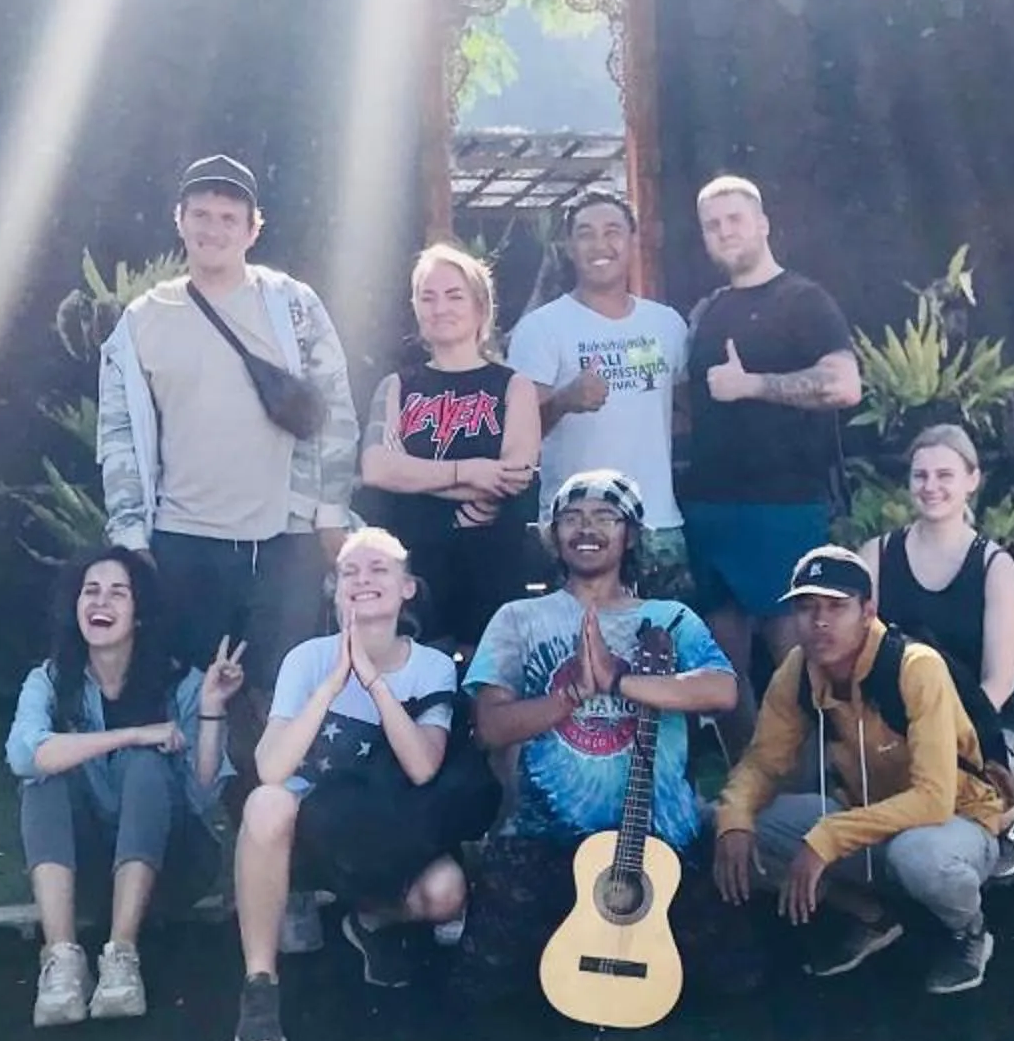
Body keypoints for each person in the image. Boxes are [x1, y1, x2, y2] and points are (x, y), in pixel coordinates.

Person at [460, 471, 761, 1002]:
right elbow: (491, 727)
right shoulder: (519, 618)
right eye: (571, 517)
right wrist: (571, 694)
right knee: (487, 986)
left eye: (605, 516)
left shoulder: (671, 619)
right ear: (553, 535)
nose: (586, 528)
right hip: (545, 836)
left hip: (662, 844)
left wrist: (620, 681)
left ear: (631, 535)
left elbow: (721, 690)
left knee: (735, 982)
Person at [96, 153, 357, 699]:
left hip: (285, 536)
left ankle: (281, 789)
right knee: (192, 695)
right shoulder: (140, 321)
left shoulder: (293, 306)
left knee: (287, 694)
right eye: (201, 214)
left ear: (252, 228)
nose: (212, 228)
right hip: (183, 539)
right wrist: (129, 533)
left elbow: (333, 410)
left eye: (228, 218)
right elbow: (118, 433)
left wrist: (329, 514)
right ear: (180, 220)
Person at [712, 545, 1014, 995]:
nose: (819, 622)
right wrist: (733, 821)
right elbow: (762, 762)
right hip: (871, 819)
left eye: (837, 607)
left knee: (919, 857)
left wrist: (829, 837)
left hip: (956, 821)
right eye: (807, 607)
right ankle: (871, 917)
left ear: (868, 610)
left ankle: (968, 932)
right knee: (727, 822)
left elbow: (933, 799)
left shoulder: (916, 667)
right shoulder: (797, 670)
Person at [230, 529, 472, 1041]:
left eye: (379, 569)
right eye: (350, 572)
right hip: (307, 826)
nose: (363, 580)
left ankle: (372, 917)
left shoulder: (430, 666)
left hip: (384, 828)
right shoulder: (306, 659)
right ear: (335, 591)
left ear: (407, 587)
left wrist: (372, 681)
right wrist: (332, 682)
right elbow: (271, 768)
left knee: (446, 894)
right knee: (264, 804)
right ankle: (260, 983)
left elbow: (423, 766)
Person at [6, 551, 246, 1028]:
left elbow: (202, 795)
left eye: (118, 592)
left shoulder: (184, 682)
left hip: (172, 866)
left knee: (145, 767)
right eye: (91, 591)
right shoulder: (49, 681)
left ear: (140, 613)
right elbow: (23, 756)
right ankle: (61, 961)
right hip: (90, 871)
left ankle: (121, 955)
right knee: (42, 782)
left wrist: (212, 708)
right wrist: (133, 733)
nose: (102, 602)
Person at [682, 173, 860, 748]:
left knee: (800, 661)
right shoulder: (707, 310)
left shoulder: (803, 300)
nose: (724, 232)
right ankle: (749, 797)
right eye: (712, 225)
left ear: (762, 224)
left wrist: (753, 384)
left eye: (735, 219)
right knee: (723, 671)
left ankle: (816, 797)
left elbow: (843, 385)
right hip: (712, 509)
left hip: (784, 506)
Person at [360, 243, 541, 657]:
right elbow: (377, 468)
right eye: (428, 296)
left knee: (489, 695)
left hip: (493, 570)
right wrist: (469, 472)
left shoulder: (514, 386)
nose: (440, 307)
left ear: (481, 306)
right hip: (415, 572)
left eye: (454, 295)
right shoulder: (397, 386)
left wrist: (417, 478)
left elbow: (514, 473)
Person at [505, 190, 690, 593]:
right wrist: (565, 400)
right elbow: (517, 438)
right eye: (586, 234)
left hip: (657, 525)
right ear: (569, 247)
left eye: (613, 231)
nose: (600, 244)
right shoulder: (541, 329)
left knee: (662, 651)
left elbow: (686, 412)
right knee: (577, 652)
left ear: (631, 241)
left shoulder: (667, 325)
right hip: (574, 529)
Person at [871, 421, 1014, 811]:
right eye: (921, 475)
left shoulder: (994, 568)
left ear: (972, 480)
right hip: (900, 723)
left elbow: (998, 683)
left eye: (945, 475)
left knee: (960, 782)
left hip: (987, 724)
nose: (931, 486)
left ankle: (999, 822)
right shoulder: (876, 558)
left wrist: (941, 738)